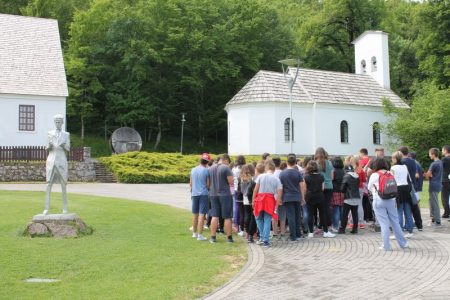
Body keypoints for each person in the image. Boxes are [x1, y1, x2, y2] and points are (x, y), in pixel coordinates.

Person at [368, 157, 408, 251]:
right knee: (395, 222)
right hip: (391, 199)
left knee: (384, 223)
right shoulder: (390, 173)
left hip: (379, 200)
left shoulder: (374, 175)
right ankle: (403, 243)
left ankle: (386, 246)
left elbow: (369, 187)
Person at [44, 114, 70, 215]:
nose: (58, 124)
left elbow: (68, 148)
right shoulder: (49, 133)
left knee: (63, 185)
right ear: (54, 122)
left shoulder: (66, 134)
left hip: (62, 161)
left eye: (59, 122)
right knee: (48, 184)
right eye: (56, 122)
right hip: (51, 160)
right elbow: (46, 147)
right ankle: (46, 208)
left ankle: (65, 208)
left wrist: (64, 146)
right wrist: (49, 146)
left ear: (62, 123)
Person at [253, 160, 282, 247]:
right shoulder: (276, 178)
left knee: (258, 217)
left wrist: (253, 200)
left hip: (260, 199)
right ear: (273, 169)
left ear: (266, 167)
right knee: (267, 219)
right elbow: (279, 191)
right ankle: (265, 239)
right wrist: (277, 203)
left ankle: (263, 237)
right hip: (270, 199)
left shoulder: (260, 176)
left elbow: (255, 190)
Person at [304, 160, 336, 238]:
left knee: (310, 214)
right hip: (319, 196)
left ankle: (311, 232)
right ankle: (325, 231)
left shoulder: (306, 177)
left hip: (310, 196)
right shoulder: (321, 176)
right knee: (322, 213)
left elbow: (305, 189)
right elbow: (322, 188)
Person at [279, 154, 306, 242]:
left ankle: (293, 236)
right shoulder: (298, 172)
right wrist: (302, 197)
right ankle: (298, 234)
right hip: (297, 196)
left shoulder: (282, 173)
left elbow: (281, 187)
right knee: (297, 216)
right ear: (295, 162)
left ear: (287, 162)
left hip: (287, 197)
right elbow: (302, 186)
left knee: (290, 216)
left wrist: (279, 198)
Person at [209, 154, 234, 243]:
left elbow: (208, 182)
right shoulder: (226, 168)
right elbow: (231, 182)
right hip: (225, 195)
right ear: (225, 160)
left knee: (214, 216)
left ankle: (213, 237)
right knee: (227, 217)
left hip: (213, 194)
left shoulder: (211, 168)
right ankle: (229, 238)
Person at [391, 151, 414, 238]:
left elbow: (391, 180)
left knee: (399, 212)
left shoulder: (393, 168)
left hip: (398, 190)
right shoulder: (405, 166)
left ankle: (398, 233)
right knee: (408, 211)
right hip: (406, 189)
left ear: (395, 158)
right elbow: (409, 179)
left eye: (393, 158)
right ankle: (410, 231)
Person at [399, 146, 422, 230]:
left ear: (401, 153)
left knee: (406, 207)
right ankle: (419, 224)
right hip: (414, 185)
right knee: (415, 206)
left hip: (406, 186)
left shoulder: (402, 162)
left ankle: (408, 225)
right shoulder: (413, 161)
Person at [190, 153, 210, 241]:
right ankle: (200, 235)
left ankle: (194, 233)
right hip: (203, 194)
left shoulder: (193, 169)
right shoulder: (206, 171)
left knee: (195, 214)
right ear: (207, 162)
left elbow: (191, 183)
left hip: (194, 194)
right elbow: (208, 184)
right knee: (202, 214)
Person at [339, 156, 360, 234]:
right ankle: (355, 229)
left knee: (345, 214)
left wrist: (342, 193)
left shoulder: (346, 176)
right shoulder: (357, 176)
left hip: (348, 198)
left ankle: (342, 229)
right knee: (355, 214)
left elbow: (343, 188)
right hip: (356, 197)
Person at [315, 147, 333, 228]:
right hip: (330, 186)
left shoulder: (316, 163)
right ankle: (328, 223)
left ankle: (321, 224)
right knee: (327, 206)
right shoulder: (329, 162)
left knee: (321, 207)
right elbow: (332, 177)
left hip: (320, 187)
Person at [425, 148, 443, 227]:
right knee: (431, 201)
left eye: (429, 154)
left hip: (433, 185)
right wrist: (430, 175)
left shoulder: (433, 164)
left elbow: (427, 176)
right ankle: (433, 218)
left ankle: (437, 220)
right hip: (438, 184)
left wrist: (426, 175)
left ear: (433, 154)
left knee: (434, 203)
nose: (429, 156)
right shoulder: (440, 162)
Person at [242, 164, 258, 243]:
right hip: (252, 199)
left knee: (247, 215)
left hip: (245, 199)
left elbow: (241, 190)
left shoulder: (242, 178)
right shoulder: (253, 179)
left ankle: (247, 232)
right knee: (253, 217)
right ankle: (251, 234)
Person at [272, 157, 286, 239]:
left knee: (274, 215)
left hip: (274, 197)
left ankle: (275, 232)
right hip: (282, 196)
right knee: (283, 215)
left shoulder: (272, 174)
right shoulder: (283, 173)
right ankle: (283, 232)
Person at [409, 152, 424, 231]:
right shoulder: (417, 162)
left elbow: (417, 175)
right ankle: (418, 222)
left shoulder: (414, 163)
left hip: (415, 187)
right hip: (417, 186)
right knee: (417, 204)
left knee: (416, 205)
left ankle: (418, 222)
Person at [232, 155, 246, 235]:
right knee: (243, 210)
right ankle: (242, 227)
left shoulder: (234, 169)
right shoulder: (244, 168)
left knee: (237, 208)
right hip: (244, 190)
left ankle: (236, 225)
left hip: (236, 189)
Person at [331, 156, 345, 232]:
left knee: (336, 209)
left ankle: (335, 226)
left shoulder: (333, 171)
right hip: (342, 192)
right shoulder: (344, 171)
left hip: (335, 191)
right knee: (341, 209)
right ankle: (341, 225)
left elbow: (331, 180)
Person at [440, 145, 450, 219]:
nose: (442, 151)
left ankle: (447, 213)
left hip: (445, 180)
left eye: (443, 150)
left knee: (444, 197)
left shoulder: (444, 159)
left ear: (446, 150)